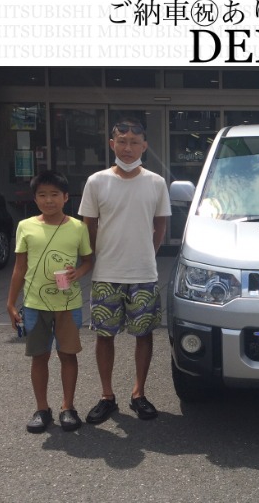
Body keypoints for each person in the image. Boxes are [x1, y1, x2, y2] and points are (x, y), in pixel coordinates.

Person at [79, 117, 171, 424]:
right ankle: (107, 396)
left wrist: (148, 254)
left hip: (143, 274)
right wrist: (96, 257)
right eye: (122, 141)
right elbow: (88, 226)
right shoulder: (97, 181)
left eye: (134, 142)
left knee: (144, 335)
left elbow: (160, 226)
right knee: (104, 336)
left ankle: (138, 393)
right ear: (112, 144)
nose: (127, 148)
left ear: (145, 146)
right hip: (106, 273)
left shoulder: (156, 182)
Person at [7, 170, 93, 433]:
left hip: (68, 303)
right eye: (42, 195)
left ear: (66, 197)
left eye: (54, 194)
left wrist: (78, 273)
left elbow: (87, 260)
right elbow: (19, 267)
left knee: (68, 355)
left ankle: (68, 407)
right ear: (35, 199)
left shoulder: (78, 227)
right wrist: (11, 303)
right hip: (35, 303)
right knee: (39, 356)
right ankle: (42, 409)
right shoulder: (26, 226)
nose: (48, 200)